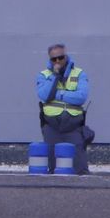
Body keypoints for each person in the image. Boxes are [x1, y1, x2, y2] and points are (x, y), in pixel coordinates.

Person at [36, 43, 91, 174]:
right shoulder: (44, 75)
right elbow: (44, 95)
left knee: (80, 167)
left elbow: (81, 97)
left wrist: (59, 94)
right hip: (52, 125)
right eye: (54, 59)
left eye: (60, 57)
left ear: (66, 56)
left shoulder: (79, 73)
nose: (57, 61)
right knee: (54, 166)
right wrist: (55, 77)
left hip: (73, 125)